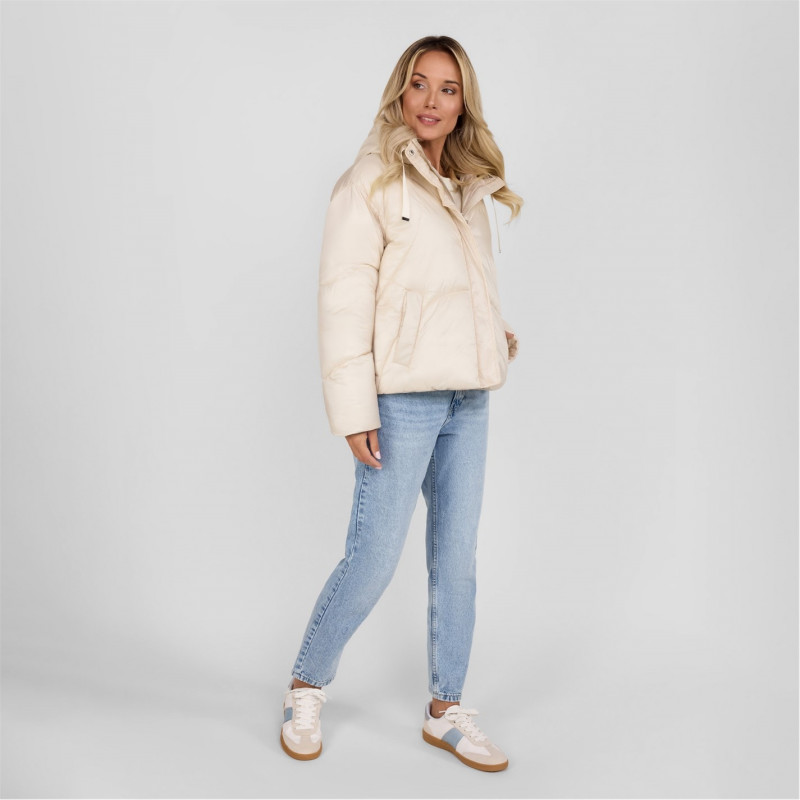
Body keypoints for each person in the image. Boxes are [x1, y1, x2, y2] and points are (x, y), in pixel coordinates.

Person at [280, 35, 522, 772]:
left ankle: (446, 711)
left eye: (448, 89)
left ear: (463, 103)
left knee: (457, 562)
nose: (431, 100)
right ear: (400, 90)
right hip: (401, 405)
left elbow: (456, 287)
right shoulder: (370, 181)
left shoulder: (467, 185)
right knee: (374, 558)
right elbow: (344, 301)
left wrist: (490, 337)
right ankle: (306, 685)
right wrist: (355, 409)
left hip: (467, 401)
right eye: (420, 84)